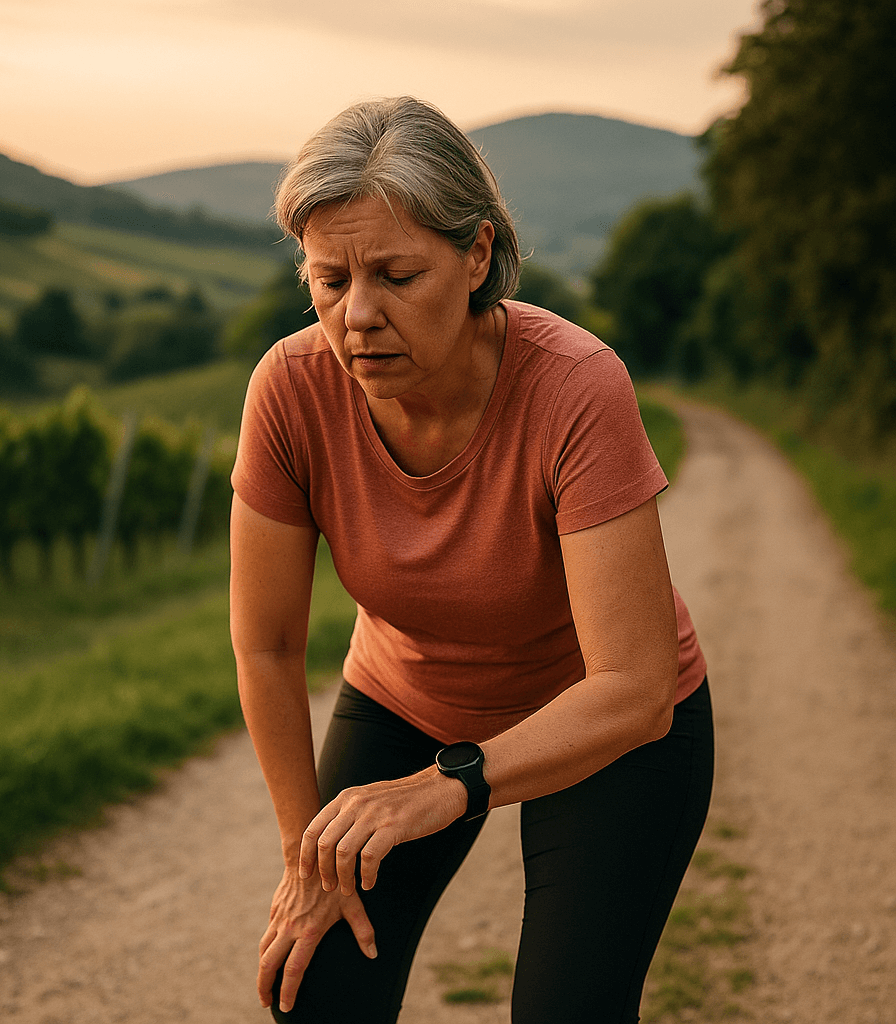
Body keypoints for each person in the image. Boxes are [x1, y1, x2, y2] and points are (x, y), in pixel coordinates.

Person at [229, 96, 713, 1024]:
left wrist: (451, 786)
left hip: (606, 724)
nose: (357, 316)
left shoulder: (574, 386)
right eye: (328, 282)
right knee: (316, 990)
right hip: (406, 698)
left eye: (396, 275)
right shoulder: (289, 391)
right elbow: (267, 646)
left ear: (478, 255)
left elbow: (635, 684)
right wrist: (307, 858)